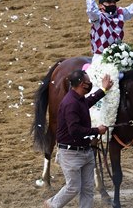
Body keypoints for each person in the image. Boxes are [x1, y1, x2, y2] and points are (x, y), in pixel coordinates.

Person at [44, 70, 113, 208]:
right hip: (71, 154)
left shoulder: (78, 99)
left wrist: (104, 90)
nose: (90, 84)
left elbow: (89, 101)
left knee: (87, 188)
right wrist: (97, 130)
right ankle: (51, 205)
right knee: (73, 187)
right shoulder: (71, 103)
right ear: (82, 84)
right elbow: (74, 130)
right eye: (88, 82)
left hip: (84, 151)